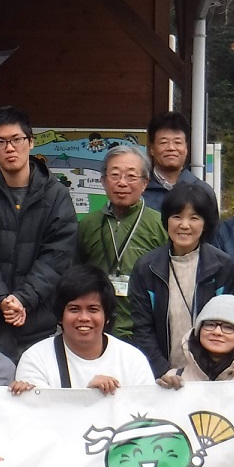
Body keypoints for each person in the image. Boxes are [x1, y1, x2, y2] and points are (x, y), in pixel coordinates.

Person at [0, 106, 78, 356]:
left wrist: (23, 299)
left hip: (39, 317)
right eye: (1, 142)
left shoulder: (56, 194)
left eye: (16, 139)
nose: (9, 148)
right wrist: (1, 299)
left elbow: (57, 257)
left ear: (31, 142)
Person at [126, 181, 234, 376]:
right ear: (167, 220)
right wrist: (164, 372)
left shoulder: (222, 266)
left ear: (205, 224)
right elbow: (142, 328)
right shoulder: (147, 268)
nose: (184, 225)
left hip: (212, 377)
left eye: (194, 218)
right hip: (163, 377)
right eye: (177, 216)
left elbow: (231, 325)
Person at [10, 264, 154, 394]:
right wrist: (88, 396)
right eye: (74, 309)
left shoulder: (133, 360)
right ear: (60, 316)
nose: (84, 317)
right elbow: (41, 417)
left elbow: (146, 415)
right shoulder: (35, 359)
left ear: (107, 316)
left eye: (93, 309)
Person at [77, 145, 168, 339]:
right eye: (115, 175)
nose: (122, 183)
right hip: (97, 329)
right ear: (103, 180)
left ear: (145, 183)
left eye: (131, 176)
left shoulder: (160, 224)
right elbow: (77, 274)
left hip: (144, 330)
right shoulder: (88, 224)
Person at [157, 294, 234, 386]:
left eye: (228, 327)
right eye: (210, 324)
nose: (217, 332)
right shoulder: (174, 377)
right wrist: (164, 393)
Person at [142, 111, 209, 206]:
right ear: (151, 149)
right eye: (163, 142)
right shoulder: (139, 190)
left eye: (177, 142)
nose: (171, 148)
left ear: (186, 149)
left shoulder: (203, 191)